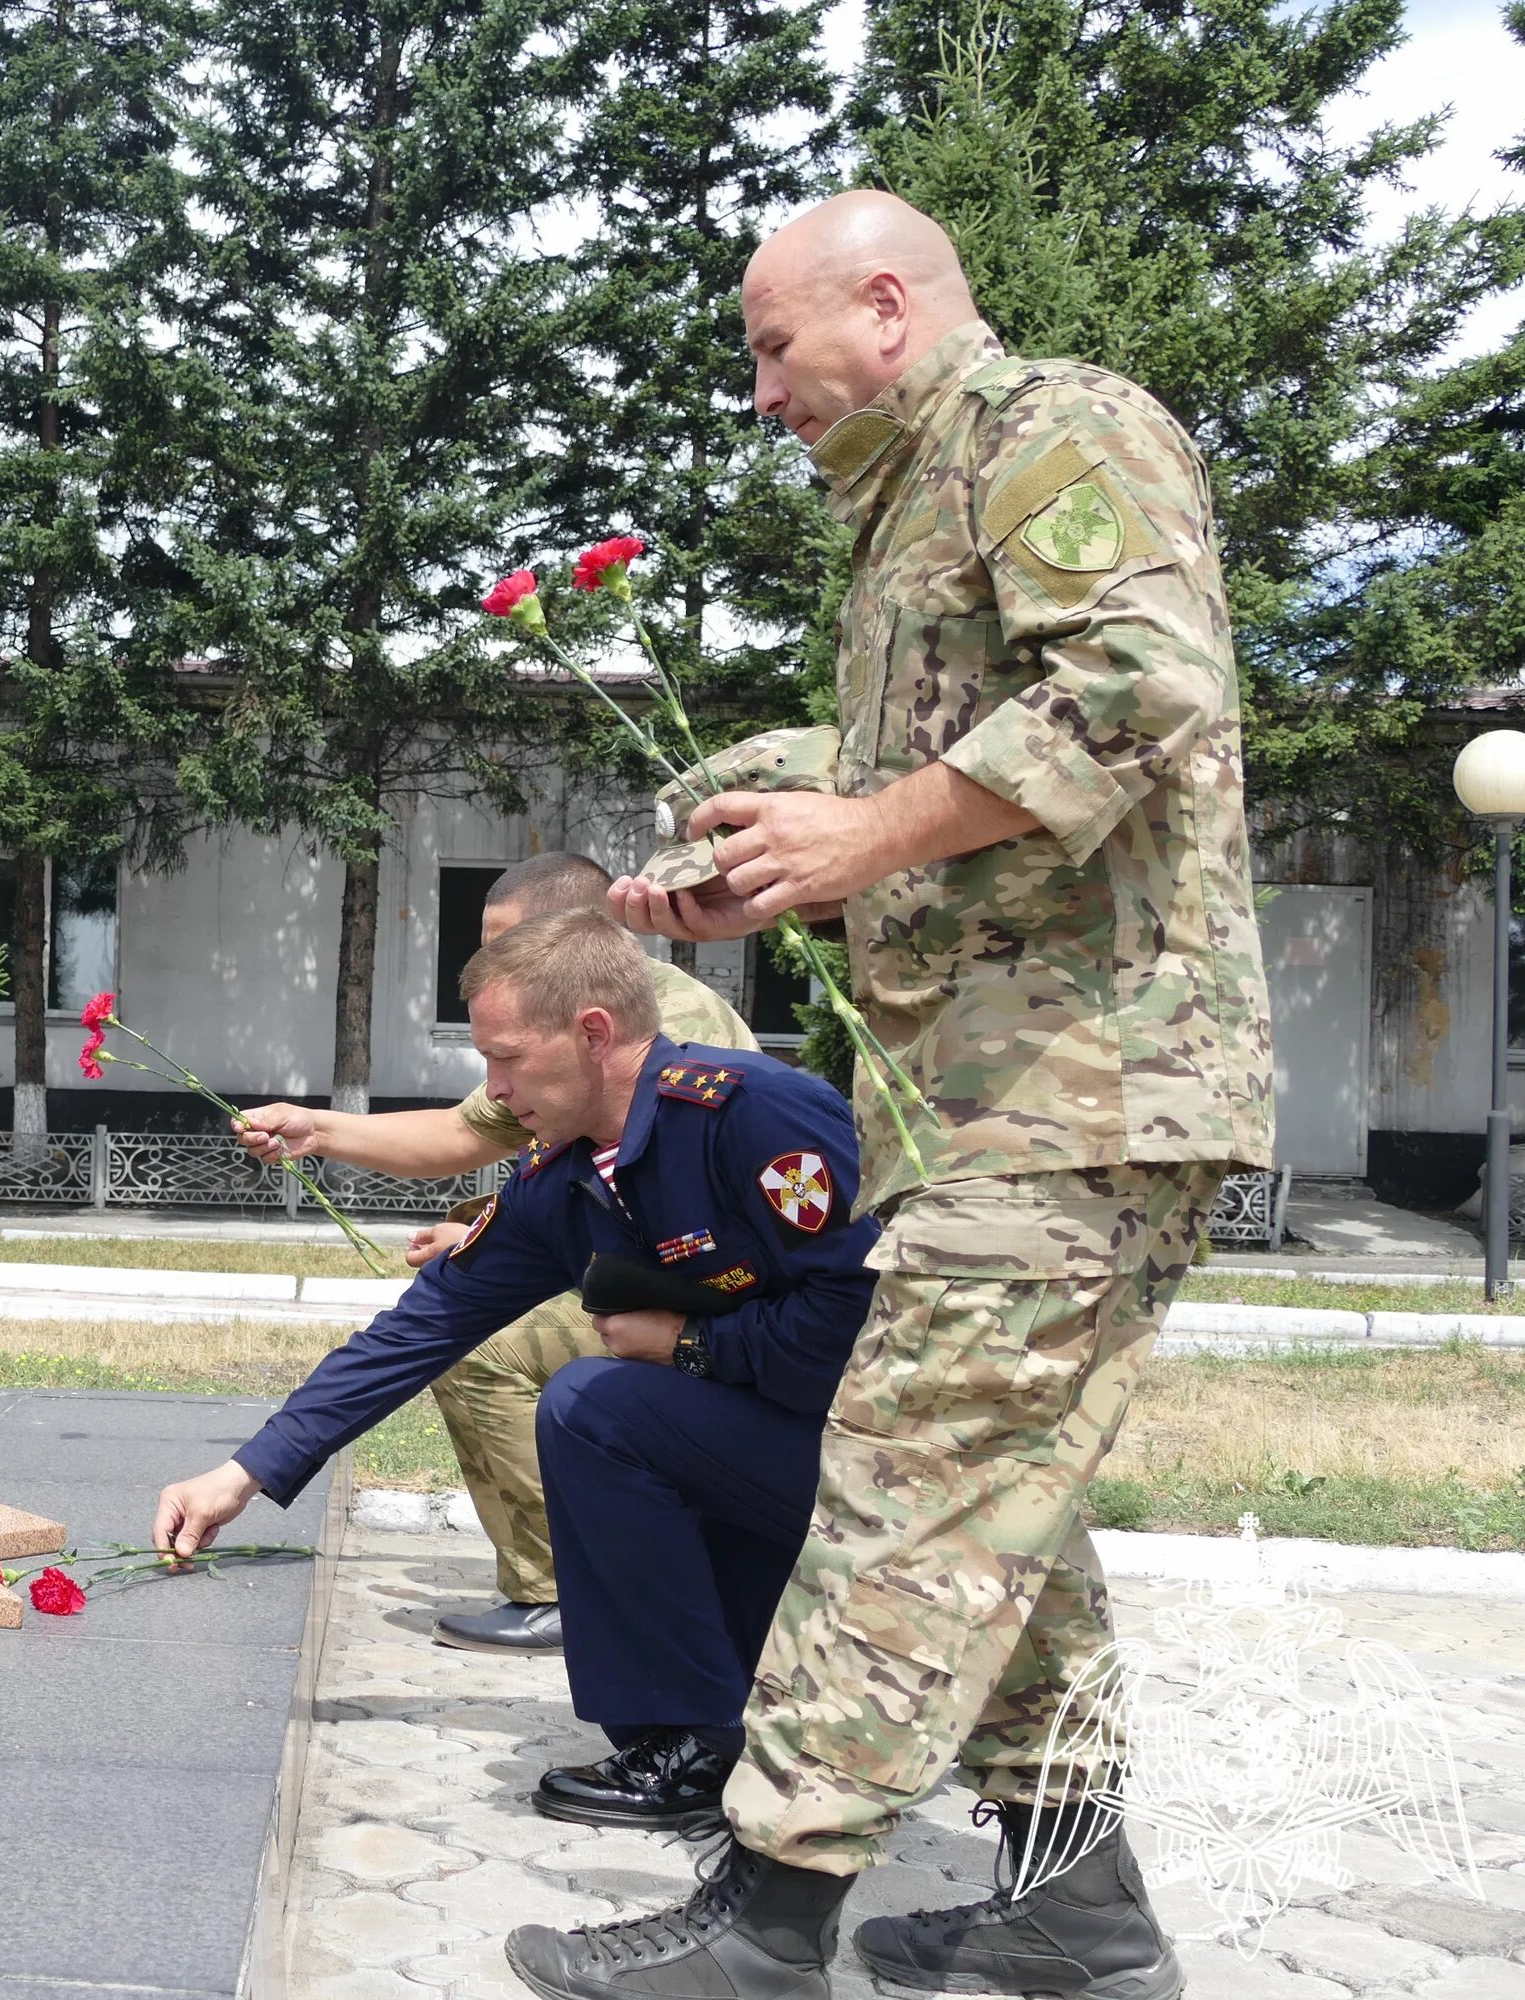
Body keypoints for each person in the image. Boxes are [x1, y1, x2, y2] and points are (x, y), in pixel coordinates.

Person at [502, 189, 1273, 2000]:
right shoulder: (912, 507)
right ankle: (1076, 1905)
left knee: (903, 1486)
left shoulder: (1049, 426)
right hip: (989, 1106)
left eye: (777, 347)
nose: (762, 389)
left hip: (1087, 1093)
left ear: (887, 305)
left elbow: (1144, 684)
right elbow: (913, 768)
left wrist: (864, 829)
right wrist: (765, 835)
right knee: (1004, 1522)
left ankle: (769, 1924)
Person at [155, 907, 880, 1830]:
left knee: (596, 1405)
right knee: (614, 1408)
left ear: (592, 1034)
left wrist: (691, 1346)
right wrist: (242, 1475)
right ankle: (690, 1734)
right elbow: (420, 1330)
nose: (491, 1091)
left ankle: (692, 1743)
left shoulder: (750, 1113)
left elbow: (862, 1318)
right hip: (761, 1453)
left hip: (873, 1468)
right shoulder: (566, 1181)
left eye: (505, 1059)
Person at [231, 853, 758, 1654]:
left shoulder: (681, 1037)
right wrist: (322, 1130)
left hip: (742, 1324)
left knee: (502, 1359)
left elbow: (684, 1214)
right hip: (671, 1296)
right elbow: (470, 1136)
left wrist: (556, 1251)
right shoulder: (554, 1047)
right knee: (470, 1331)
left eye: (512, 949)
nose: (498, 1080)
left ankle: (572, 1593)